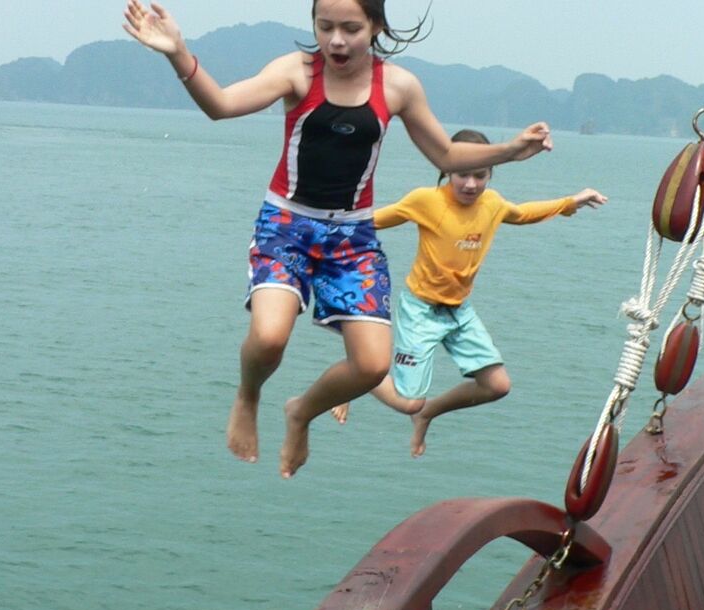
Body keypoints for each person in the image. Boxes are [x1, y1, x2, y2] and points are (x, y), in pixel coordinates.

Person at [121, 0, 555, 478]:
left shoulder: (397, 86)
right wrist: (177, 52)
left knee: (371, 366)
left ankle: (300, 411)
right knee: (268, 339)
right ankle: (248, 396)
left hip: (352, 237)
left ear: (375, 27)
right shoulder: (297, 73)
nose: (336, 41)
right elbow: (222, 106)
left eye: (350, 28)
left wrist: (513, 151)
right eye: (324, 27)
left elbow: (449, 155)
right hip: (286, 224)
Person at [331, 129, 608, 457]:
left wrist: (571, 201)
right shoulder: (426, 201)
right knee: (407, 402)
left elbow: (523, 214)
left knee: (497, 386)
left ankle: (428, 412)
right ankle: (360, 375)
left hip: (458, 311)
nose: (471, 184)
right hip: (420, 309)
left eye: (481, 175)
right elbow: (370, 221)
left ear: (491, 173)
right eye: (463, 174)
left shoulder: (491, 204)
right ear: (447, 169)